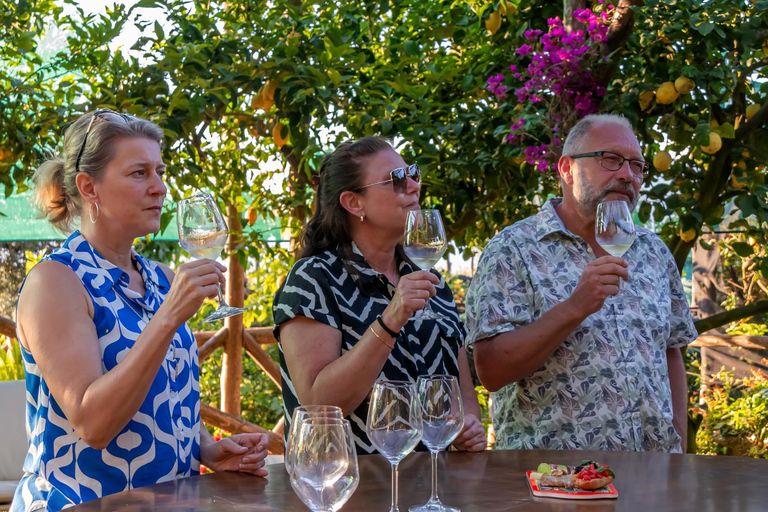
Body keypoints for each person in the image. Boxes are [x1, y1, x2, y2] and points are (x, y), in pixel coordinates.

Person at [11, 110, 269, 512]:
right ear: (88, 187)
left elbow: (168, 388)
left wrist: (208, 449)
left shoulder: (160, 277)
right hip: (83, 503)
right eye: (139, 173)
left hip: (173, 501)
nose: (160, 188)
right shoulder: (56, 282)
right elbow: (92, 423)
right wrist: (167, 319)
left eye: (160, 171)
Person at [465, 114, 697, 453]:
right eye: (610, 159)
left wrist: (677, 447)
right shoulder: (512, 249)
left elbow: (671, 350)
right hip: (554, 483)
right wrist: (575, 308)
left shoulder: (653, 251)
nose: (627, 175)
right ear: (566, 168)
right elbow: (491, 371)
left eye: (637, 166)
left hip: (653, 479)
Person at [273, 137, 487, 454]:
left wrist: (467, 425)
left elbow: (462, 393)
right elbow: (319, 408)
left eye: (413, 174)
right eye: (396, 180)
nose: (414, 186)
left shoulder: (433, 283)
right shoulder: (314, 279)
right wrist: (391, 319)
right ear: (354, 203)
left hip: (430, 489)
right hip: (345, 487)